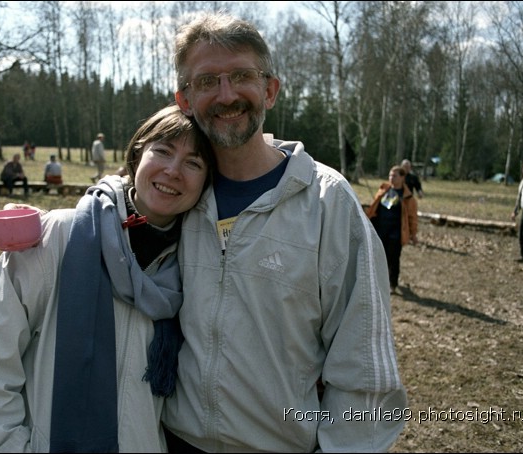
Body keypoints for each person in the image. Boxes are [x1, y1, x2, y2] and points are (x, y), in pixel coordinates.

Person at [160, 12, 407, 452]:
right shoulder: (175, 193)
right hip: (175, 442)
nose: (227, 94)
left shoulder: (327, 202)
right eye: (207, 81)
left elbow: (363, 366)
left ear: (270, 90)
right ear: (184, 99)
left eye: (242, 76)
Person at [0, 104, 214, 452]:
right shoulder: (57, 236)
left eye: (193, 163)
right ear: (136, 156)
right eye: (162, 151)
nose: (173, 170)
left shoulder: (196, 268)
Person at [366, 165, 419, 294]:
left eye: (394, 176)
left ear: (402, 178)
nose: (391, 178)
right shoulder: (383, 190)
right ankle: (377, 282)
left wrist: (413, 234)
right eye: (390, 175)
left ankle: (392, 284)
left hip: (396, 233)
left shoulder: (408, 198)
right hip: (380, 230)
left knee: (393, 258)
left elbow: (412, 217)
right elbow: (374, 207)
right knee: (378, 257)